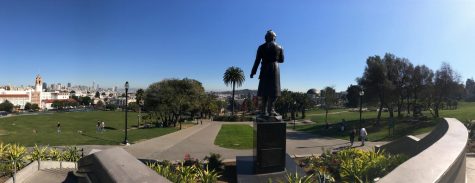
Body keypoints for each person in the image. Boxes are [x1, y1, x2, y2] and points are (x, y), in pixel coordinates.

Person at [251, 30, 284, 116]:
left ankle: (264, 111)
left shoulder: (261, 47)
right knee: (274, 90)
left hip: (265, 68)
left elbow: (257, 61)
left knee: (264, 90)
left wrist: (253, 72)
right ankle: (271, 110)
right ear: (274, 38)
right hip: (275, 68)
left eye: (266, 37)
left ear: (267, 38)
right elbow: (282, 60)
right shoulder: (280, 47)